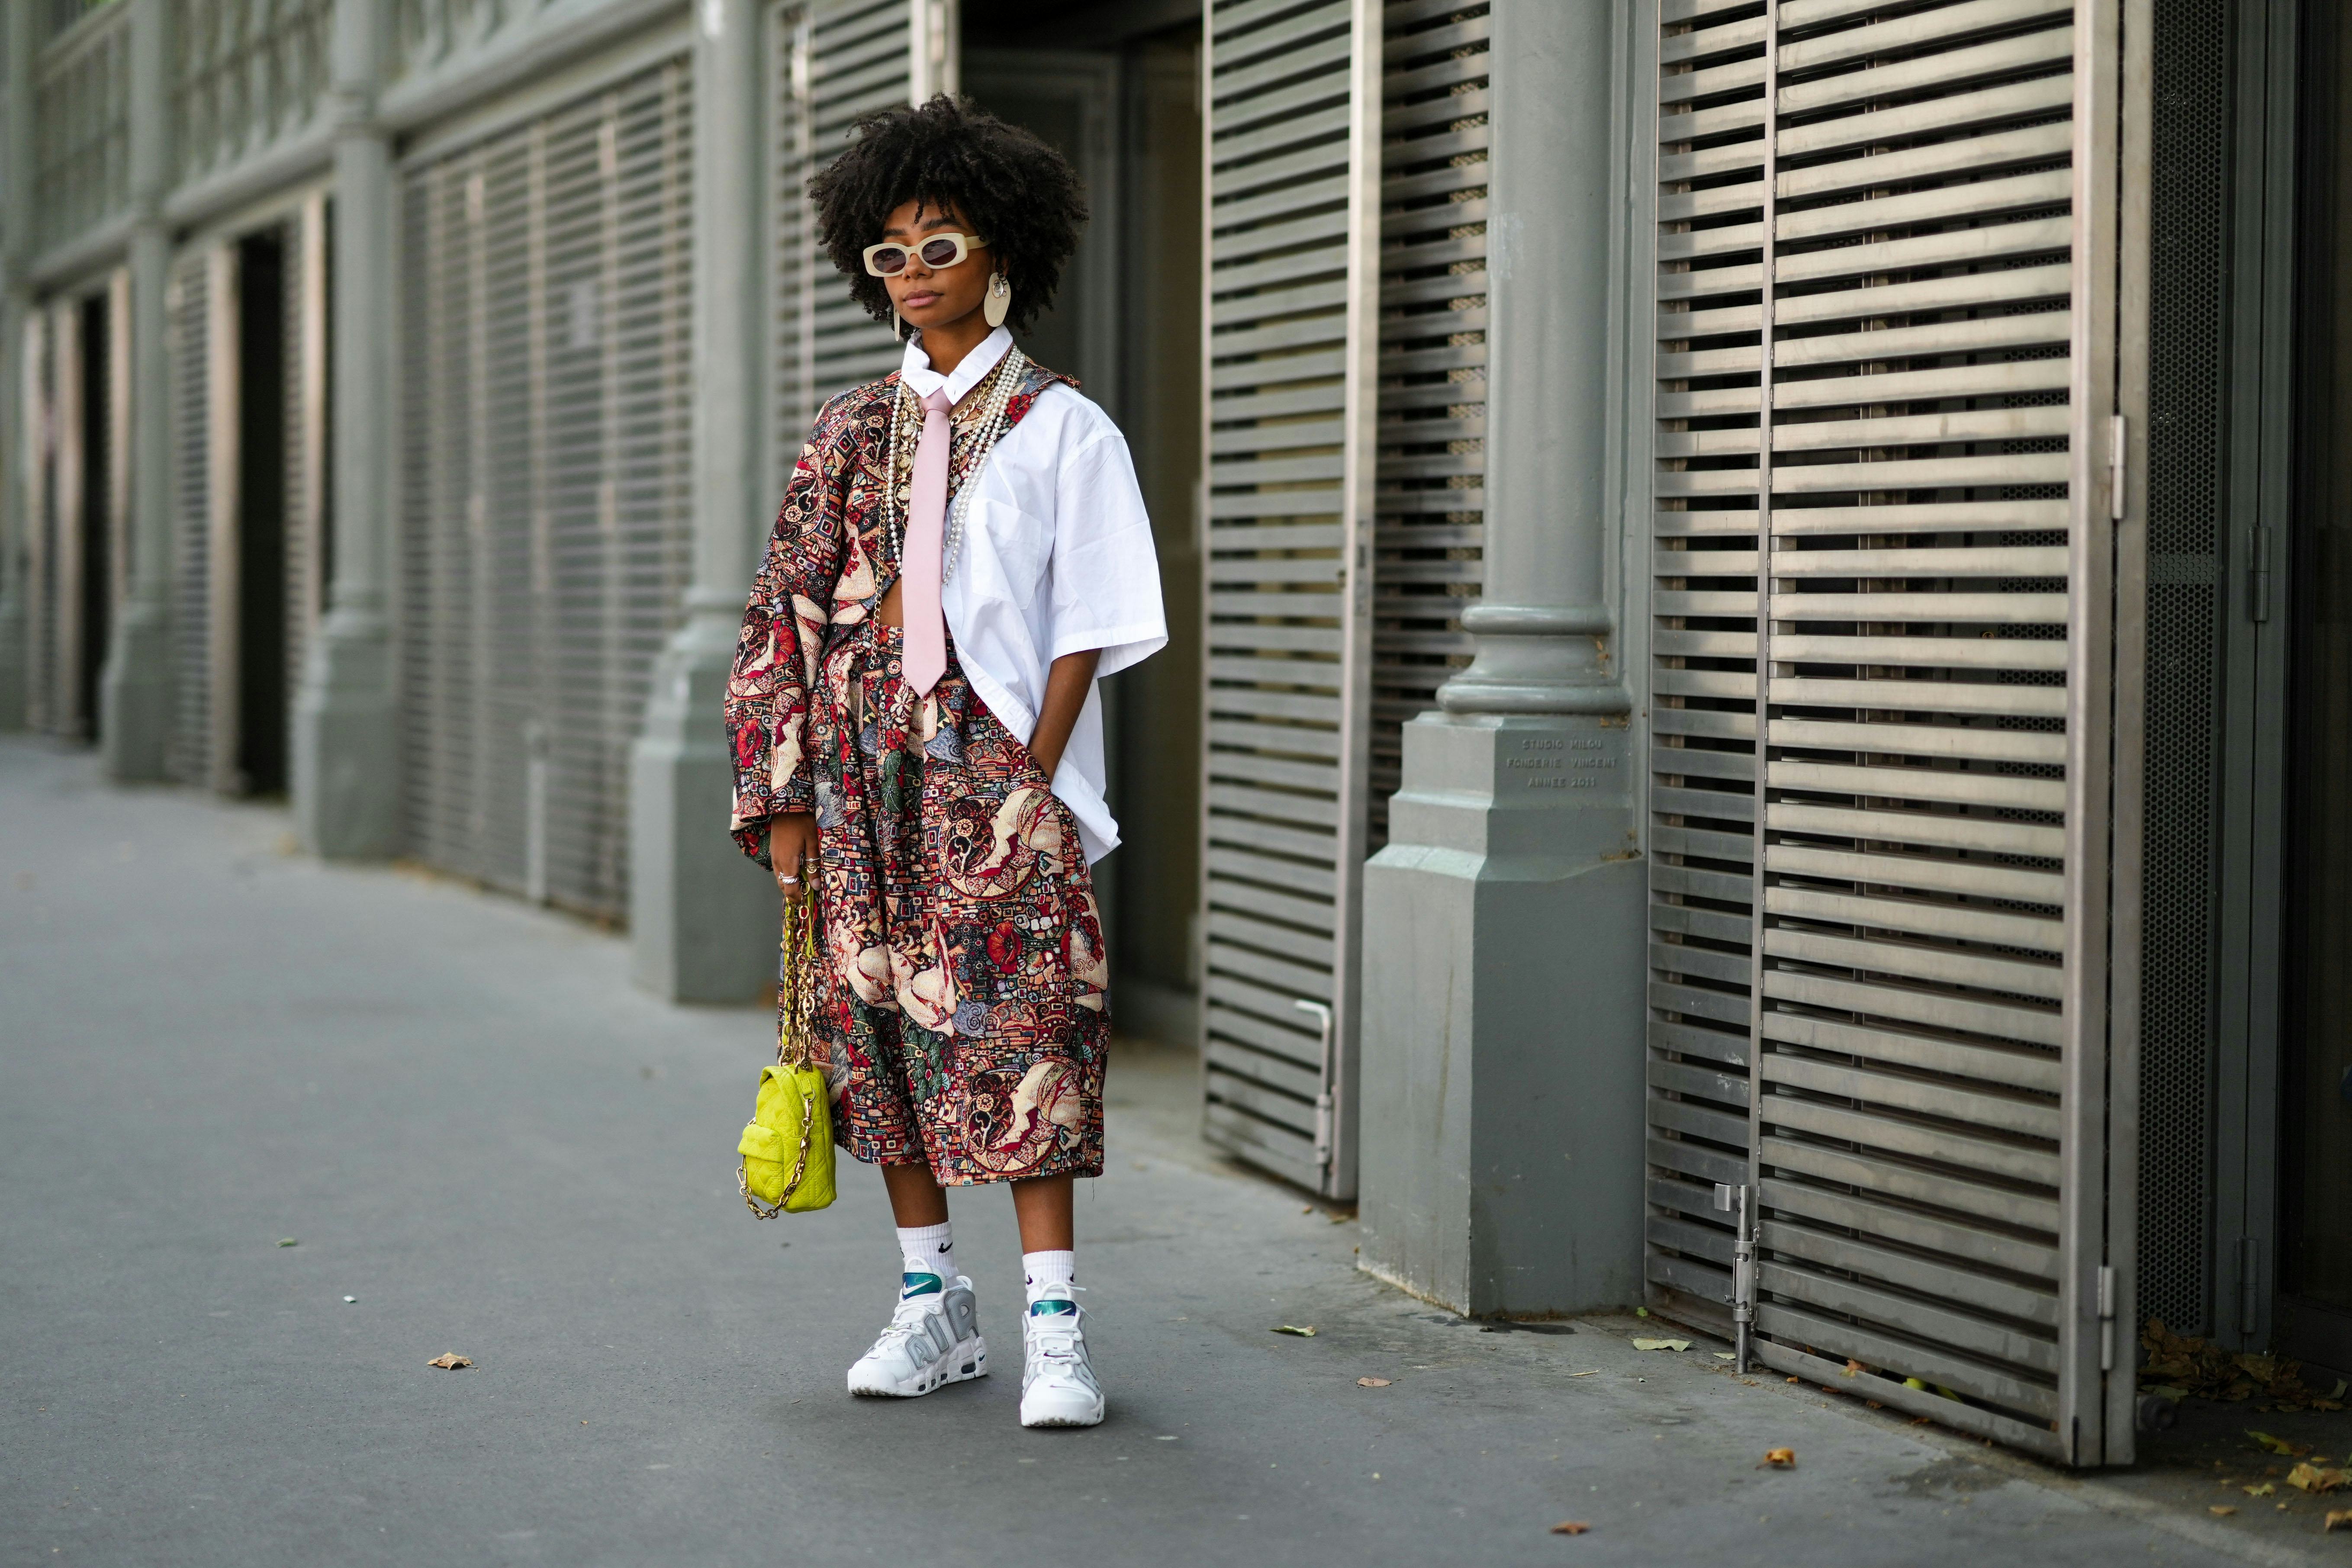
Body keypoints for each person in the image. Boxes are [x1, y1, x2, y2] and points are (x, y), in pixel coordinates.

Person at [723, 96, 1165, 1430]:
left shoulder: (1063, 427)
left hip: (990, 770)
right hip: (859, 778)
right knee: (878, 1032)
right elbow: (780, 613)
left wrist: (1026, 779)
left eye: (942, 244)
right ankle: (931, 1311)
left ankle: (1055, 1330)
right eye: (891, 253)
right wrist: (782, 793)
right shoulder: (849, 428)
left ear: (1001, 253)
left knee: (1031, 1034)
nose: (916, 273)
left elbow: (1091, 620)